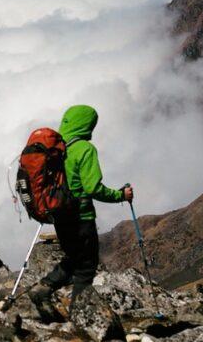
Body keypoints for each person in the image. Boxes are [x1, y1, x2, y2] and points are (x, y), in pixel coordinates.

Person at [28, 104, 132, 321]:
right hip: (81, 217)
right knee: (86, 267)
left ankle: (45, 287)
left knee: (74, 258)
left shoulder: (56, 149)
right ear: (87, 125)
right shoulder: (84, 149)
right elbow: (94, 188)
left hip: (59, 217)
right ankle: (80, 316)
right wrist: (121, 196)